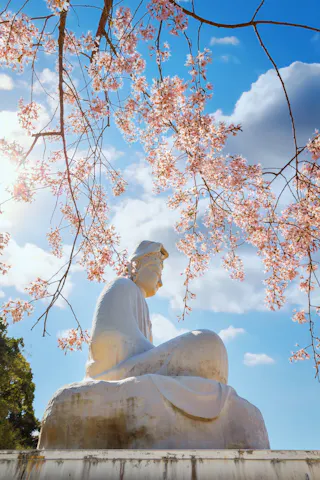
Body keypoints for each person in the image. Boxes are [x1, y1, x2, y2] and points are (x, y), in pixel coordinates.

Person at [85, 240, 228, 384]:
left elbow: (144, 352)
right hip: (114, 372)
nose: (160, 282)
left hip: (138, 366)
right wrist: (159, 353)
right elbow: (107, 340)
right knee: (208, 342)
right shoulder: (121, 285)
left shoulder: (143, 304)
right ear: (137, 266)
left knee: (212, 348)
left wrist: (158, 353)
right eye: (156, 273)